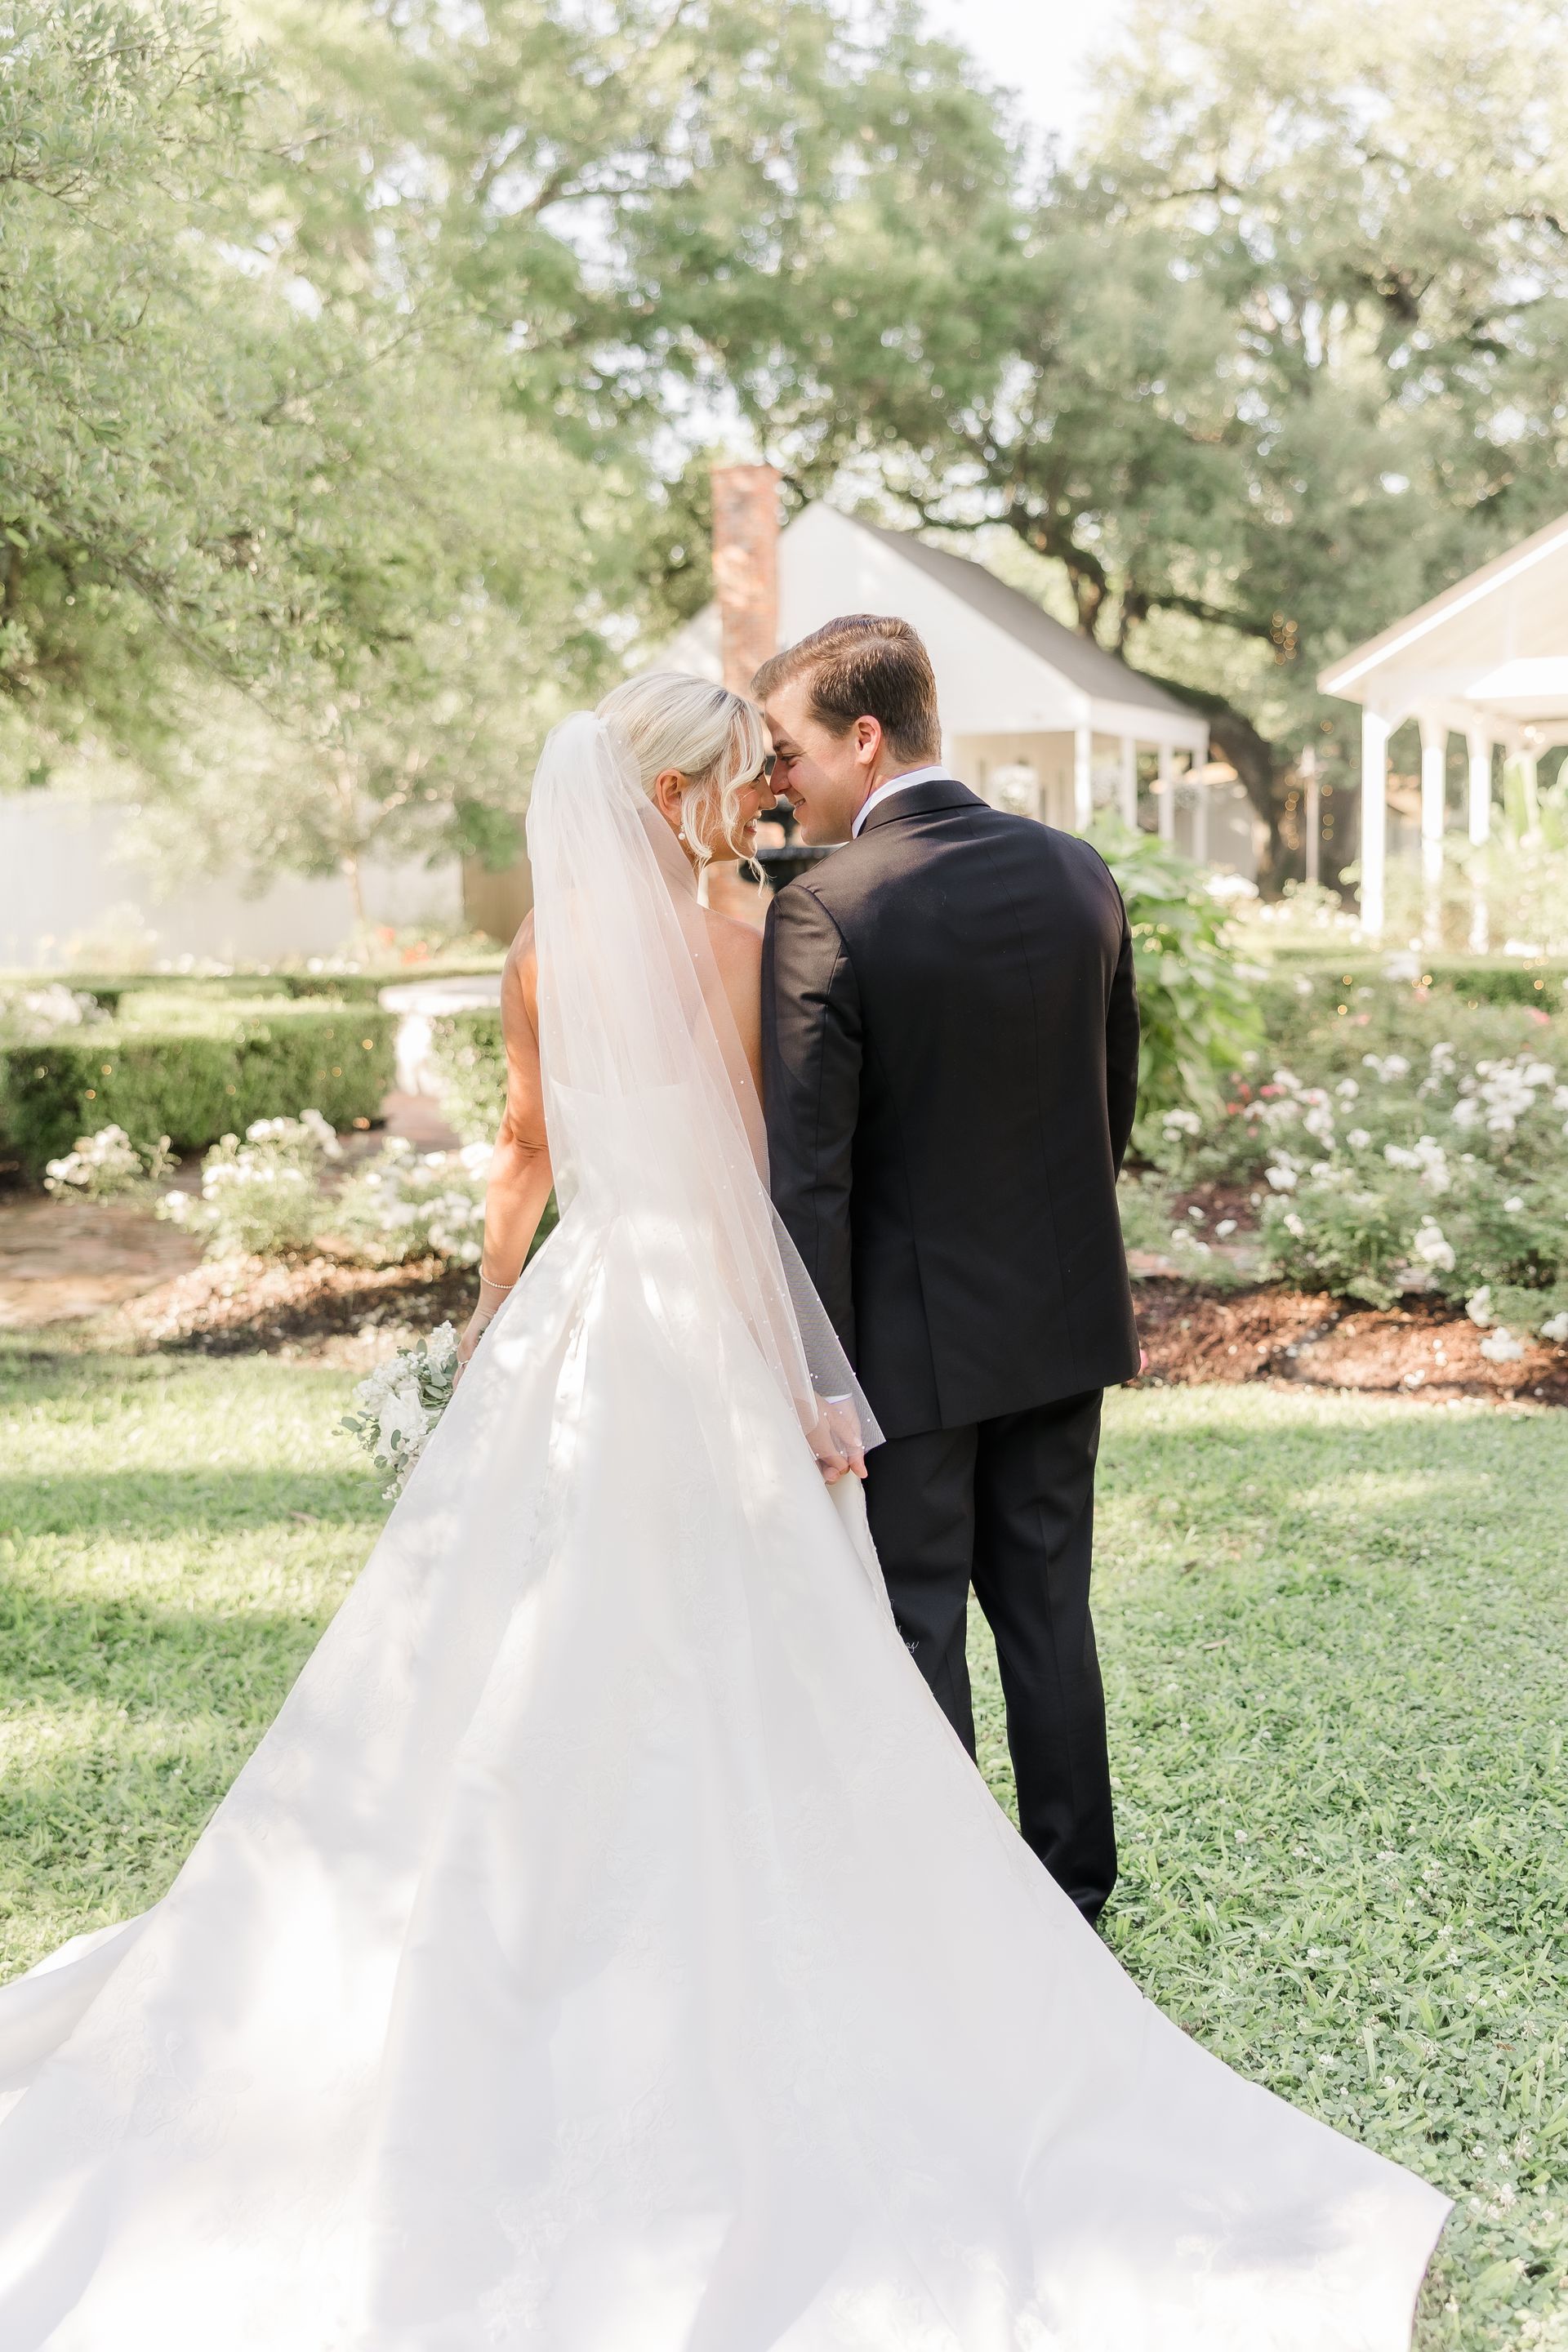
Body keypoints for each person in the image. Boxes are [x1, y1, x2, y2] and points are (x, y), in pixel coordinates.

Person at [0, 674, 1446, 2348]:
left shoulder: (541, 954)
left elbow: (525, 1157)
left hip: (585, 1324)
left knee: (533, 1636)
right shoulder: (754, 932)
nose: (761, 802)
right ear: (687, 794)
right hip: (717, 1318)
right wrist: (815, 1373)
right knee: (783, 1627)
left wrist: (486, 1336)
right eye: (741, 783)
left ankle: (529, 1902)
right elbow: (783, 1168)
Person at [757, 614, 1136, 1922]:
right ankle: (1073, 1895)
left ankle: (954, 1921)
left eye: (789, 749)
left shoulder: (825, 905)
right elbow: (1113, 1107)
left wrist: (815, 1373)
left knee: (918, 1626)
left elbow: (808, 1175)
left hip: (907, 1352)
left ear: (864, 740)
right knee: (1047, 1620)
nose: (777, 780)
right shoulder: (1079, 871)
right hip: (1064, 1325)